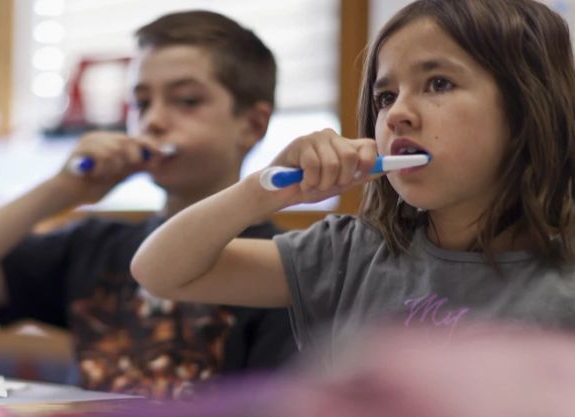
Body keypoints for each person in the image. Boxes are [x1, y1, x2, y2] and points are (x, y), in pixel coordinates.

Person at [131, 0, 575, 362]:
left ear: (527, 110)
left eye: (438, 83)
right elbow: (160, 271)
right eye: (385, 96)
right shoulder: (350, 256)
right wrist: (263, 190)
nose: (396, 113)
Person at [0, 11, 296, 398]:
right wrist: (62, 190)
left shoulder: (280, 265)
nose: (155, 120)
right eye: (141, 103)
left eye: (186, 100)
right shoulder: (97, 245)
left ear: (252, 125)